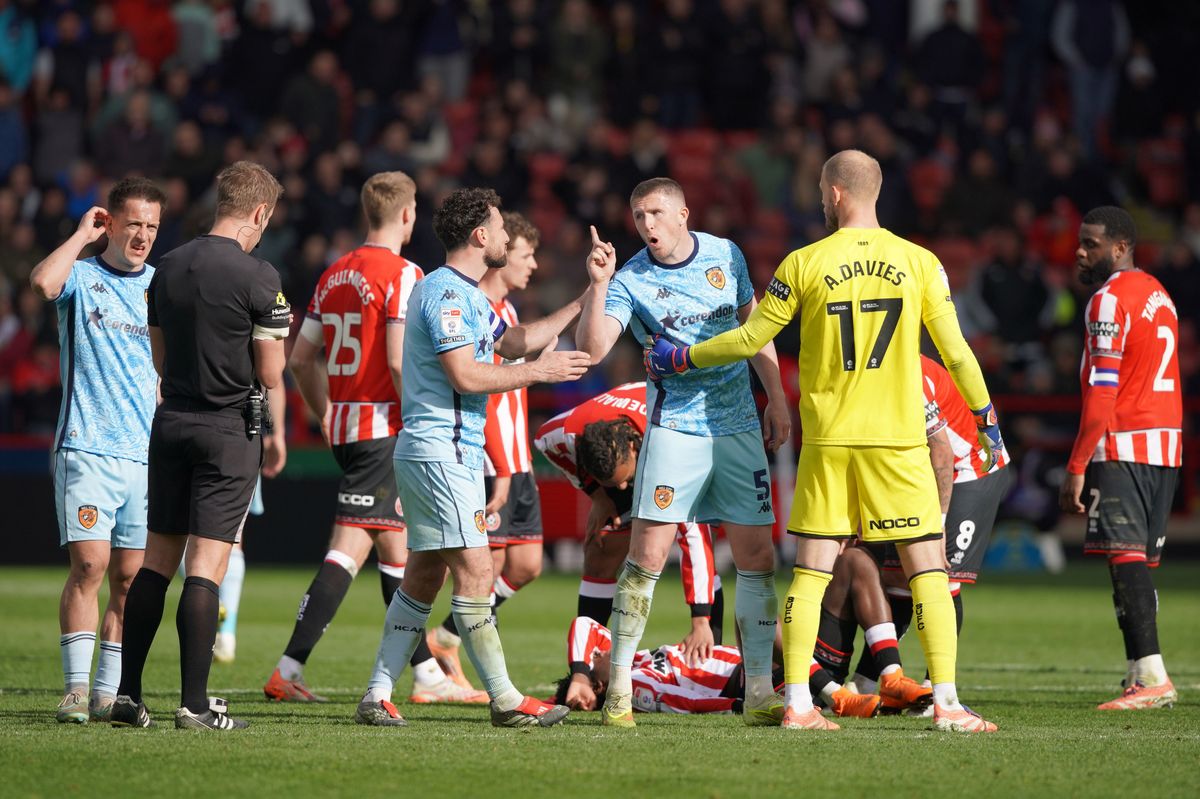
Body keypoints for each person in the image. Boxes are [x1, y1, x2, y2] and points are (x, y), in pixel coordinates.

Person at [645, 150, 1001, 732]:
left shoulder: (804, 262)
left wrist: (680, 355)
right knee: (927, 571)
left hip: (831, 443)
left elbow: (750, 337)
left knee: (810, 573)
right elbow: (956, 352)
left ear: (834, 193)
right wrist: (985, 415)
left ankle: (798, 706)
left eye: (819, 188)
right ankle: (948, 705)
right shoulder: (920, 262)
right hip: (898, 444)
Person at [353, 187, 591, 728]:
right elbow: (466, 374)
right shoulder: (446, 294)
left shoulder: (466, 294)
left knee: (421, 578)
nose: (509, 236)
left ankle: (376, 693)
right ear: (481, 236)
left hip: (439, 452)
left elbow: (513, 343)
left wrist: (585, 298)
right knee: (478, 572)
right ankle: (506, 701)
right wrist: (541, 372)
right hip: (442, 452)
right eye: (502, 227)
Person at [575, 177, 792, 728]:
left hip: (740, 425)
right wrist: (599, 284)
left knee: (758, 561)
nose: (646, 225)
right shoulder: (631, 279)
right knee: (645, 559)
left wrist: (777, 400)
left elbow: (756, 326)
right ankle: (619, 685)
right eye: (638, 216)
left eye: (655, 213)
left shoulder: (726, 254)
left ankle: (762, 690)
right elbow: (594, 347)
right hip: (674, 429)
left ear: (682, 214)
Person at [263, 171, 483, 705]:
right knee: (352, 547)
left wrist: (326, 413)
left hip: (346, 424)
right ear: (407, 215)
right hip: (386, 425)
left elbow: (299, 358)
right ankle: (288, 668)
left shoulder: (334, 272)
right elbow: (395, 358)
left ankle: (426, 674)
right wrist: (426, 416)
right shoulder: (405, 274)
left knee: (395, 546)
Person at [110, 161, 291, 731]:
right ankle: (192, 704)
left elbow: (159, 358)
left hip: (170, 424)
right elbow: (269, 371)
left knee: (154, 566)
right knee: (206, 571)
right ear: (259, 212)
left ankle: (127, 695)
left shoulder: (167, 268)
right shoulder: (260, 276)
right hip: (227, 429)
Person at [29, 178, 165, 724]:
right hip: (85, 447)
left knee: (129, 580)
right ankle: (74, 689)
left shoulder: (160, 286)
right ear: (110, 222)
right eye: (133, 223)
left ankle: (108, 694)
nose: (143, 236)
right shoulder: (82, 277)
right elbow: (41, 282)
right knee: (90, 564)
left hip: (144, 455)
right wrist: (81, 236)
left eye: (152, 226)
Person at [829, 355, 1012, 701]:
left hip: (970, 468)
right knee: (898, 579)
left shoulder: (904, 375)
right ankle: (870, 681)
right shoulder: (858, 371)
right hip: (920, 475)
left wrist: (938, 527)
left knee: (941, 578)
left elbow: (941, 453)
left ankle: (937, 688)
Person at [1059, 206, 1181, 710]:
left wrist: (1076, 465)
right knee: (1137, 563)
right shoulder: (1159, 294)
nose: (1080, 252)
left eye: (1091, 244)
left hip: (1124, 441)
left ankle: (1153, 678)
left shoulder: (1107, 301)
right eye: (1080, 242)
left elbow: (1102, 393)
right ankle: (1141, 673)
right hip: (1165, 444)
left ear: (1121, 247)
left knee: (1124, 557)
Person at [427, 212, 550, 689]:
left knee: (526, 565)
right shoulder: (469, 307)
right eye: (526, 254)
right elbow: (480, 388)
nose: (533, 265)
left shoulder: (508, 316)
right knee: (483, 566)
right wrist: (499, 463)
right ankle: (454, 660)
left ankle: (445, 637)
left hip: (517, 460)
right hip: (487, 459)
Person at [533, 381, 725, 646]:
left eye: (622, 480)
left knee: (682, 543)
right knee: (600, 549)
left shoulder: (670, 443)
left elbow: (693, 533)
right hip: (639, 436)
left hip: (700, 443)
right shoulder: (568, 432)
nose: (622, 488)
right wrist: (598, 496)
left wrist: (700, 619)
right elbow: (542, 439)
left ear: (634, 449)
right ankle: (589, 657)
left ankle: (710, 646)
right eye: (613, 483)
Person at [555, 615, 881, 720]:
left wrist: (581, 671)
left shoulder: (626, 656)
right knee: (753, 616)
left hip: (779, 667)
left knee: (854, 565)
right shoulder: (633, 685)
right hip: (743, 682)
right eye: (596, 659)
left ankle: (879, 680)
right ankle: (837, 696)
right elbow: (684, 702)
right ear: (600, 687)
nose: (600, 652)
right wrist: (740, 706)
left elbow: (585, 625)